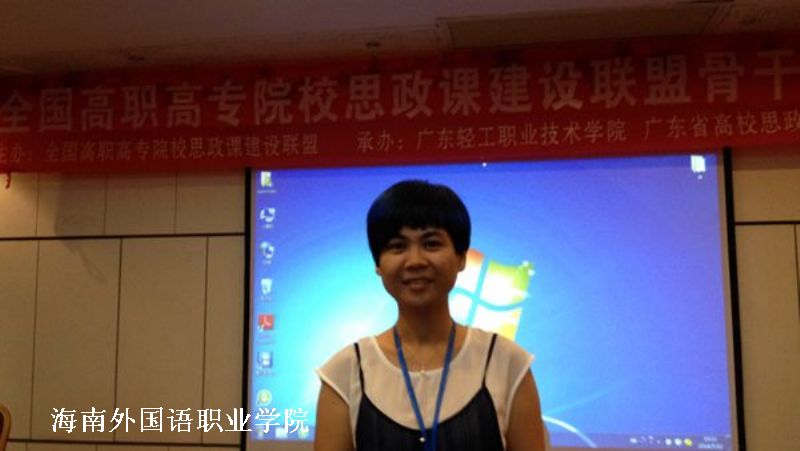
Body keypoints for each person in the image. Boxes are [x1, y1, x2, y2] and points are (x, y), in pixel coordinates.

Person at [315, 180, 546, 451]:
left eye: (431, 244)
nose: (415, 261)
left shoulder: (506, 363)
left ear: (461, 257)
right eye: (397, 246)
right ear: (378, 264)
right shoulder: (346, 372)